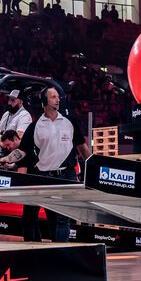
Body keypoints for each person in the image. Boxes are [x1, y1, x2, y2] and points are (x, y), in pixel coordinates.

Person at [19, 87, 90, 242]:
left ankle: (60, 251)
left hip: (67, 175)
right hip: (44, 176)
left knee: (63, 218)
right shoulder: (35, 126)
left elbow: (83, 148)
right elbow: (22, 151)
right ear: (44, 101)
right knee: (50, 216)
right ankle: (51, 249)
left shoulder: (69, 122)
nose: (57, 99)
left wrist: (94, 165)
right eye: (53, 97)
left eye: (58, 96)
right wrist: (8, 158)